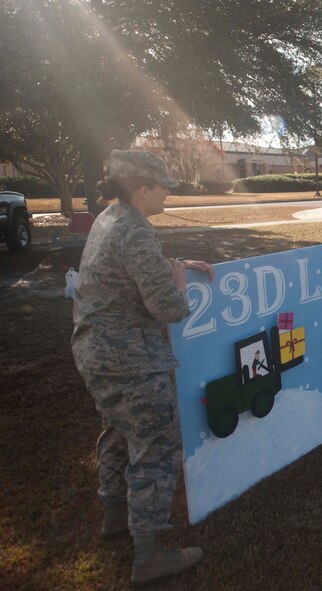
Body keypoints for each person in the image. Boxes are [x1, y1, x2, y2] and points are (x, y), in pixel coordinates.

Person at [71, 150, 214, 587]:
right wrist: (178, 285)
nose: (170, 191)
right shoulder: (133, 232)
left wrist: (180, 265)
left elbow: (132, 270)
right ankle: (148, 556)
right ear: (143, 188)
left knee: (118, 432)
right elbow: (169, 307)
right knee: (155, 445)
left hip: (97, 353)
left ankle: (115, 518)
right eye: (164, 185)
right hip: (130, 359)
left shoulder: (110, 219)